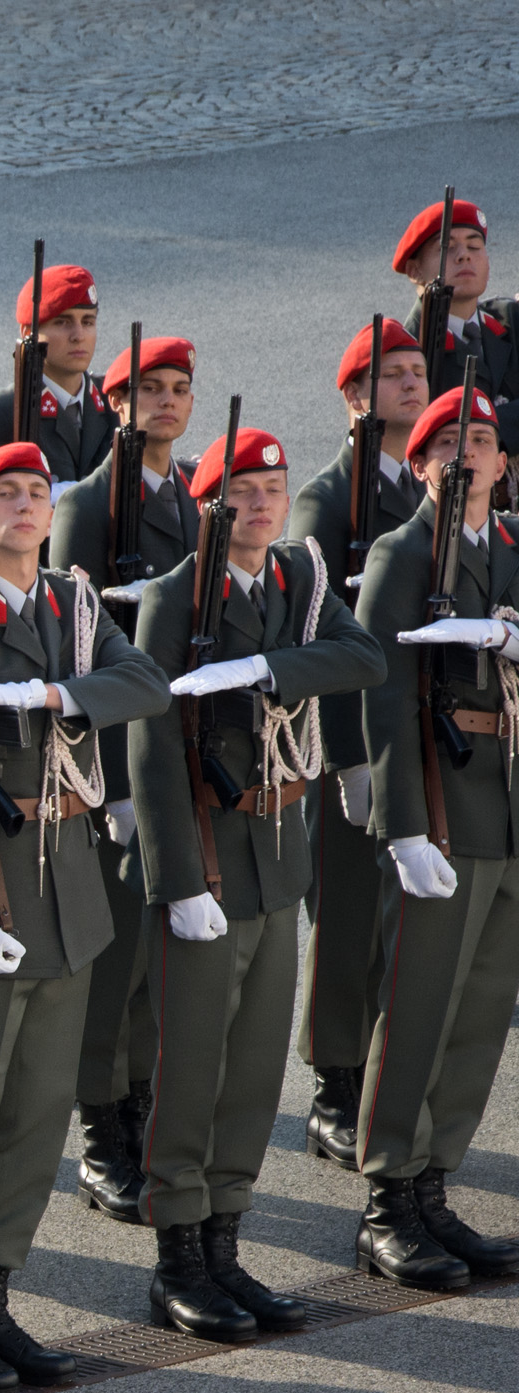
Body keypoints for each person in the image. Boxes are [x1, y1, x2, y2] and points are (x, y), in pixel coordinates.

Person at [0, 443, 169, 1393]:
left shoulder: (74, 608)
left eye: (36, 493)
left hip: (67, 895)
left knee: (37, 1113)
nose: (22, 505)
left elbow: (146, 684)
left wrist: (57, 694)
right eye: (3, 493)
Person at [124, 430, 384, 1339]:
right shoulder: (174, 597)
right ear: (210, 505)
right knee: (191, 1065)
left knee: (253, 1070)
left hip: (277, 857)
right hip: (205, 854)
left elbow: (363, 658)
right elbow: (150, 743)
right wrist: (177, 878)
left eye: (274, 486)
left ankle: (224, 1242)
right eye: (243, 488)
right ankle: (177, 1259)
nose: (264, 503)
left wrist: (271, 668)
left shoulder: (297, 581)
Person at [349, 385, 519, 1289]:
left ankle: (434, 1184)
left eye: (481, 440)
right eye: (448, 443)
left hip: (508, 801)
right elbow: (380, 692)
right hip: (443, 805)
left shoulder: (512, 545)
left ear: (503, 462)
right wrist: (404, 827)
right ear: (418, 465)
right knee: (419, 1006)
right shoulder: (403, 551)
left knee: (481, 1010)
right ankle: (388, 1199)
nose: (467, 454)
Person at [48, 335, 203, 1226]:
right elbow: (82, 648)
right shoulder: (87, 505)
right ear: (114, 404)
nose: (167, 401)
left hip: (178, 748)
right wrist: (105, 783)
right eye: (149, 388)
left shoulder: (189, 495)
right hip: (116, 761)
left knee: (153, 957)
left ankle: (137, 1104)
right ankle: (102, 1131)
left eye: (179, 388)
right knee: (113, 965)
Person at [291, 319, 430, 1162]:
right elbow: (321, 638)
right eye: (393, 373)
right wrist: (347, 758)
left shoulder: (433, 487)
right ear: (354, 396)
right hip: (353, 740)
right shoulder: (328, 501)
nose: (412, 384)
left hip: (417, 732)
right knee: (345, 918)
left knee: (401, 917)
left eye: (418, 371)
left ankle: (379, 1075)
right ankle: (334, 1087)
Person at [0, 261, 114, 482]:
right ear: (28, 333)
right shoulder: (4, 411)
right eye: (63, 322)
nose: (78, 336)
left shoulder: (114, 400)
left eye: (88, 322)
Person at [396, 195, 515, 409]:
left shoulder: (510, 321)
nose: (463, 256)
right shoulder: (405, 351)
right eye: (447, 248)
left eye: (474, 246)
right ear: (415, 271)